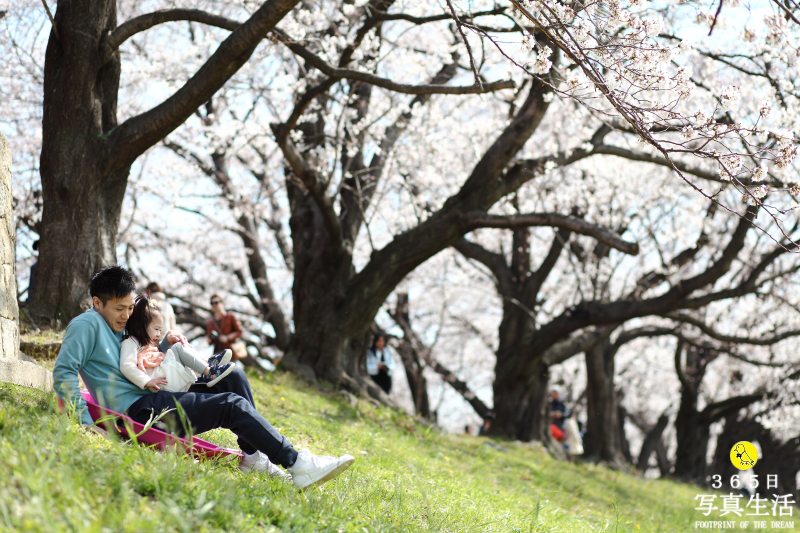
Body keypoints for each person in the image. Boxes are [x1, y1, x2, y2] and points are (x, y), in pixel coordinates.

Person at [53, 265, 354, 489]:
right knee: (231, 405)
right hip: (141, 410)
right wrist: (86, 423)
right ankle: (298, 464)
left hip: (158, 392)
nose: (126, 315)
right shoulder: (86, 325)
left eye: (130, 307)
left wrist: (168, 341)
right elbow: (64, 372)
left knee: (233, 377)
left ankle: (253, 458)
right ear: (97, 303)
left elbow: (145, 351)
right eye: (119, 308)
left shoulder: (121, 326)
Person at [119, 295, 234, 393]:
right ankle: (209, 372)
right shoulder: (131, 341)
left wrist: (167, 340)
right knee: (178, 347)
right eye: (156, 329)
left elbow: (159, 357)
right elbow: (126, 365)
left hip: (165, 378)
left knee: (178, 345)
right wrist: (146, 381)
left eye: (160, 330)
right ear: (142, 326)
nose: (159, 334)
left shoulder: (147, 343)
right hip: (161, 381)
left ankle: (206, 363)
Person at [206, 294, 246, 360]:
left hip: (230, 352)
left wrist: (227, 338)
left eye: (216, 302)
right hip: (217, 353)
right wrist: (209, 339)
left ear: (222, 303)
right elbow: (210, 340)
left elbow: (239, 332)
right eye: (212, 303)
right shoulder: (210, 322)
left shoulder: (230, 316)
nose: (214, 305)